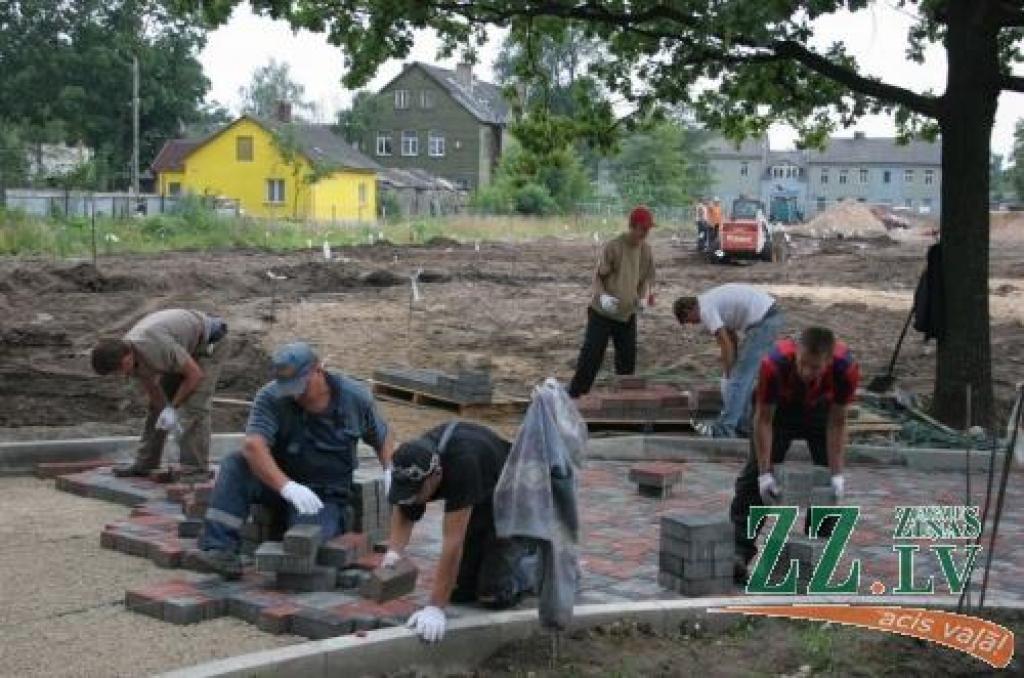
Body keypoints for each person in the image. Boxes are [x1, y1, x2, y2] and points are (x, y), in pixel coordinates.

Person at [194, 342, 394, 578]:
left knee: (304, 545)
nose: (295, 394)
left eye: (301, 386)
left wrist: (390, 470)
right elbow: (253, 445)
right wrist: (287, 487)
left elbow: (382, 436)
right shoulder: (270, 396)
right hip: (278, 481)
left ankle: (332, 517)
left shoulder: (354, 398)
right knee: (235, 463)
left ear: (318, 370)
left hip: (322, 494)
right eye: (288, 387)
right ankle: (220, 549)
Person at [383, 421, 535, 643]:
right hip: (478, 494)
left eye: (416, 493)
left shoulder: (463, 465)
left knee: (493, 594)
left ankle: (533, 558)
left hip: (511, 494)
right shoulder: (414, 462)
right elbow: (404, 508)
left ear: (436, 476)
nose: (412, 499)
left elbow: (453, 542)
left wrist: (435, 607)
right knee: (460, 592)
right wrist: (393, 553)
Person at [729, 327, 860, 582]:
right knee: (753, 479)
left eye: (816, 367)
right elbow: (763, 419)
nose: (807, 372)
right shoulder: (774, 364)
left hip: (821, 408)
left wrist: (837, 474)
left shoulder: (846, 368)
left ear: (829, 361)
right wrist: (765, 473)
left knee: (826, 486)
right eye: (803, 364)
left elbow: (837, 422)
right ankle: (738, 553)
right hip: (780, 409)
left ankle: (814, 555)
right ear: (797, 352)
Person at [90, 308, 229, 478]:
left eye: (120, 368)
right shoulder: (129, 355)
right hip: (181, 347)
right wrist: (165, 410)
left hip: (209, 343)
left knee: (195, 406)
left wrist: (174, 407)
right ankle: (146, 463)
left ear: (127, 356)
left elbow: (194, 375)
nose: (120, 373)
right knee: (156, 410)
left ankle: (195, 469)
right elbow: (153, 388)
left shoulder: (154, 347)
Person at [567, 205, 657, 398]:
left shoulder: (646, 251)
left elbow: (644, 280)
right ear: (633, 226)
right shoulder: (614, 246)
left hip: (626, 316)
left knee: (627, 363)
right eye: (643, 229)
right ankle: (574, 398)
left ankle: (624, 402)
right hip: (602, 314)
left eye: (648, 229)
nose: (646, 233)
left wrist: (642, 298)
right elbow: (597, 277)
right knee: (590, 358)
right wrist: (603, 296)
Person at [673, 284, 784, 437]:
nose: (694, 324)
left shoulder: (705, 309)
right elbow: (731, 339)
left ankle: (725, 429)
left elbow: (725, 344)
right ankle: (744, 426)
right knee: (741, 378)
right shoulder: (710, 301)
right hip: (768, 316)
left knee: (740, 379)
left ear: (688, 311)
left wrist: (728, 373)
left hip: (764, 321)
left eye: (689, 321)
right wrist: (732, 368)